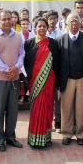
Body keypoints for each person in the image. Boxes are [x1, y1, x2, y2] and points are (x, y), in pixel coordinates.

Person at [0, 10, 25, 152]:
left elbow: (22, 53)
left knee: (13, 110)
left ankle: (10, 136)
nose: (8, 21)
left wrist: (16, 67)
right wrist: (8, 70)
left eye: (9, 19)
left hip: (14, 78)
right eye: (4, 19)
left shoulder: (19, 36)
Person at [56, 13, 83, 146]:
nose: (74, 24)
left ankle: (80, 133)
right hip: (66, 78)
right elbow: (57, 62)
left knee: (82, 107)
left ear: (80, 23)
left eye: (76, 21)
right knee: (66, 107)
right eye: (71, 21)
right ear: (66, 23)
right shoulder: (60, 39)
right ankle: (67, 133)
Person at [24, 17, 60, 148]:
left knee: (48, 108)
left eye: (44, 26)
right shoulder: (28, 43)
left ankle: (46, 137)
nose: (42, 28)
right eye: (39, 26)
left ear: (47, 28)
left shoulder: (53, 43)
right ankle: (34, 138)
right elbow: (25, 62)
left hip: (49, 81)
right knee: (36, 109)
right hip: (34, 82)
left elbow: (57, 64)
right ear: (34, 28)